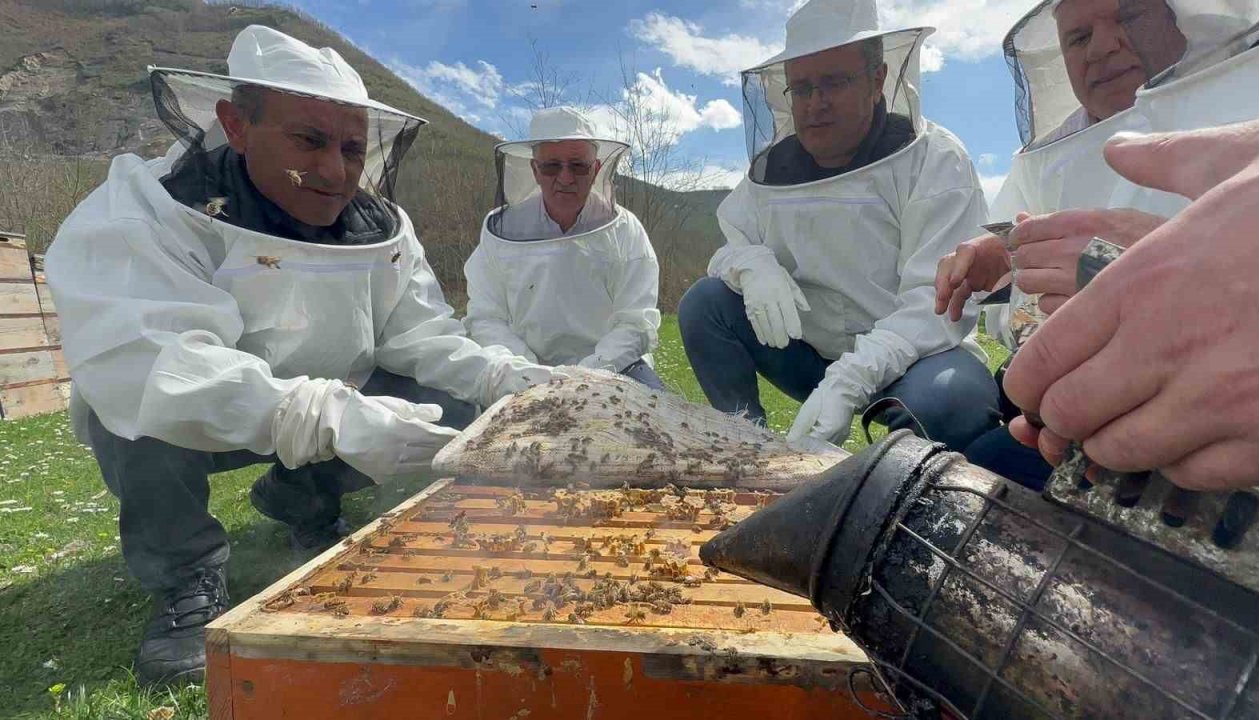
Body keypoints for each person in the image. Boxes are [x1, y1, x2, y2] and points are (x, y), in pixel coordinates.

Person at [44, 26, 561, 685]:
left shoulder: (378, 227)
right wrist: (314, 413)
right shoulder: (145, 210)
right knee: (129, 418)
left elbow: (420, 335)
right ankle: (186, 579)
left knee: (455, 407)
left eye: (350, 147)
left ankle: (301, 497)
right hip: (201, 423)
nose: (335, 171)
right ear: (236, 124)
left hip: (333, 394)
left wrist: (500, 376)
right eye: (308, 141)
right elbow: (150, 359)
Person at [934, 0, 1259, 488]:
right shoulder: (1051, 155)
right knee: (983, 464)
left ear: (1180, 14)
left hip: (1225, 449)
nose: (1101, 47)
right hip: (1078, 409)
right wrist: (1009, 256)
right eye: (1077, 38)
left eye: (1129, 15)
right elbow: (1022, 313)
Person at [677, 0, 998, 451]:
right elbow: (730, 246)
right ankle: (745, 449)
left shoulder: (936, 160)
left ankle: (918, 494)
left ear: (877, 79)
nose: (815, 104)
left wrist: (851, 378)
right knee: (704, 304)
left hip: (916, 360)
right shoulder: (770, 175)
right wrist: (752, 264)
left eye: (833, 82)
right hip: (810, 357)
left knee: (953, 401)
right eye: (802, 88)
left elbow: (937, 299)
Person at [1004, 114, 1259, 492]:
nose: (1102, 51)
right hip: (1107, 426)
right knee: (997, 451)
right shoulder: (1056, 159)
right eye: (1077, 48)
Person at [463, 107, 663, 389]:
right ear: (535, 169)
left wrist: (587, 374)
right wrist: (527, 371)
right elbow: (486, 317)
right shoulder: (500, 230)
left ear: (595, 170)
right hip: (522, 370)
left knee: (660, 425)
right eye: (551, 166)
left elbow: (636, 321)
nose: (566, 178)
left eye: (578, 166)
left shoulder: (626, 229)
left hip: (616, 366)